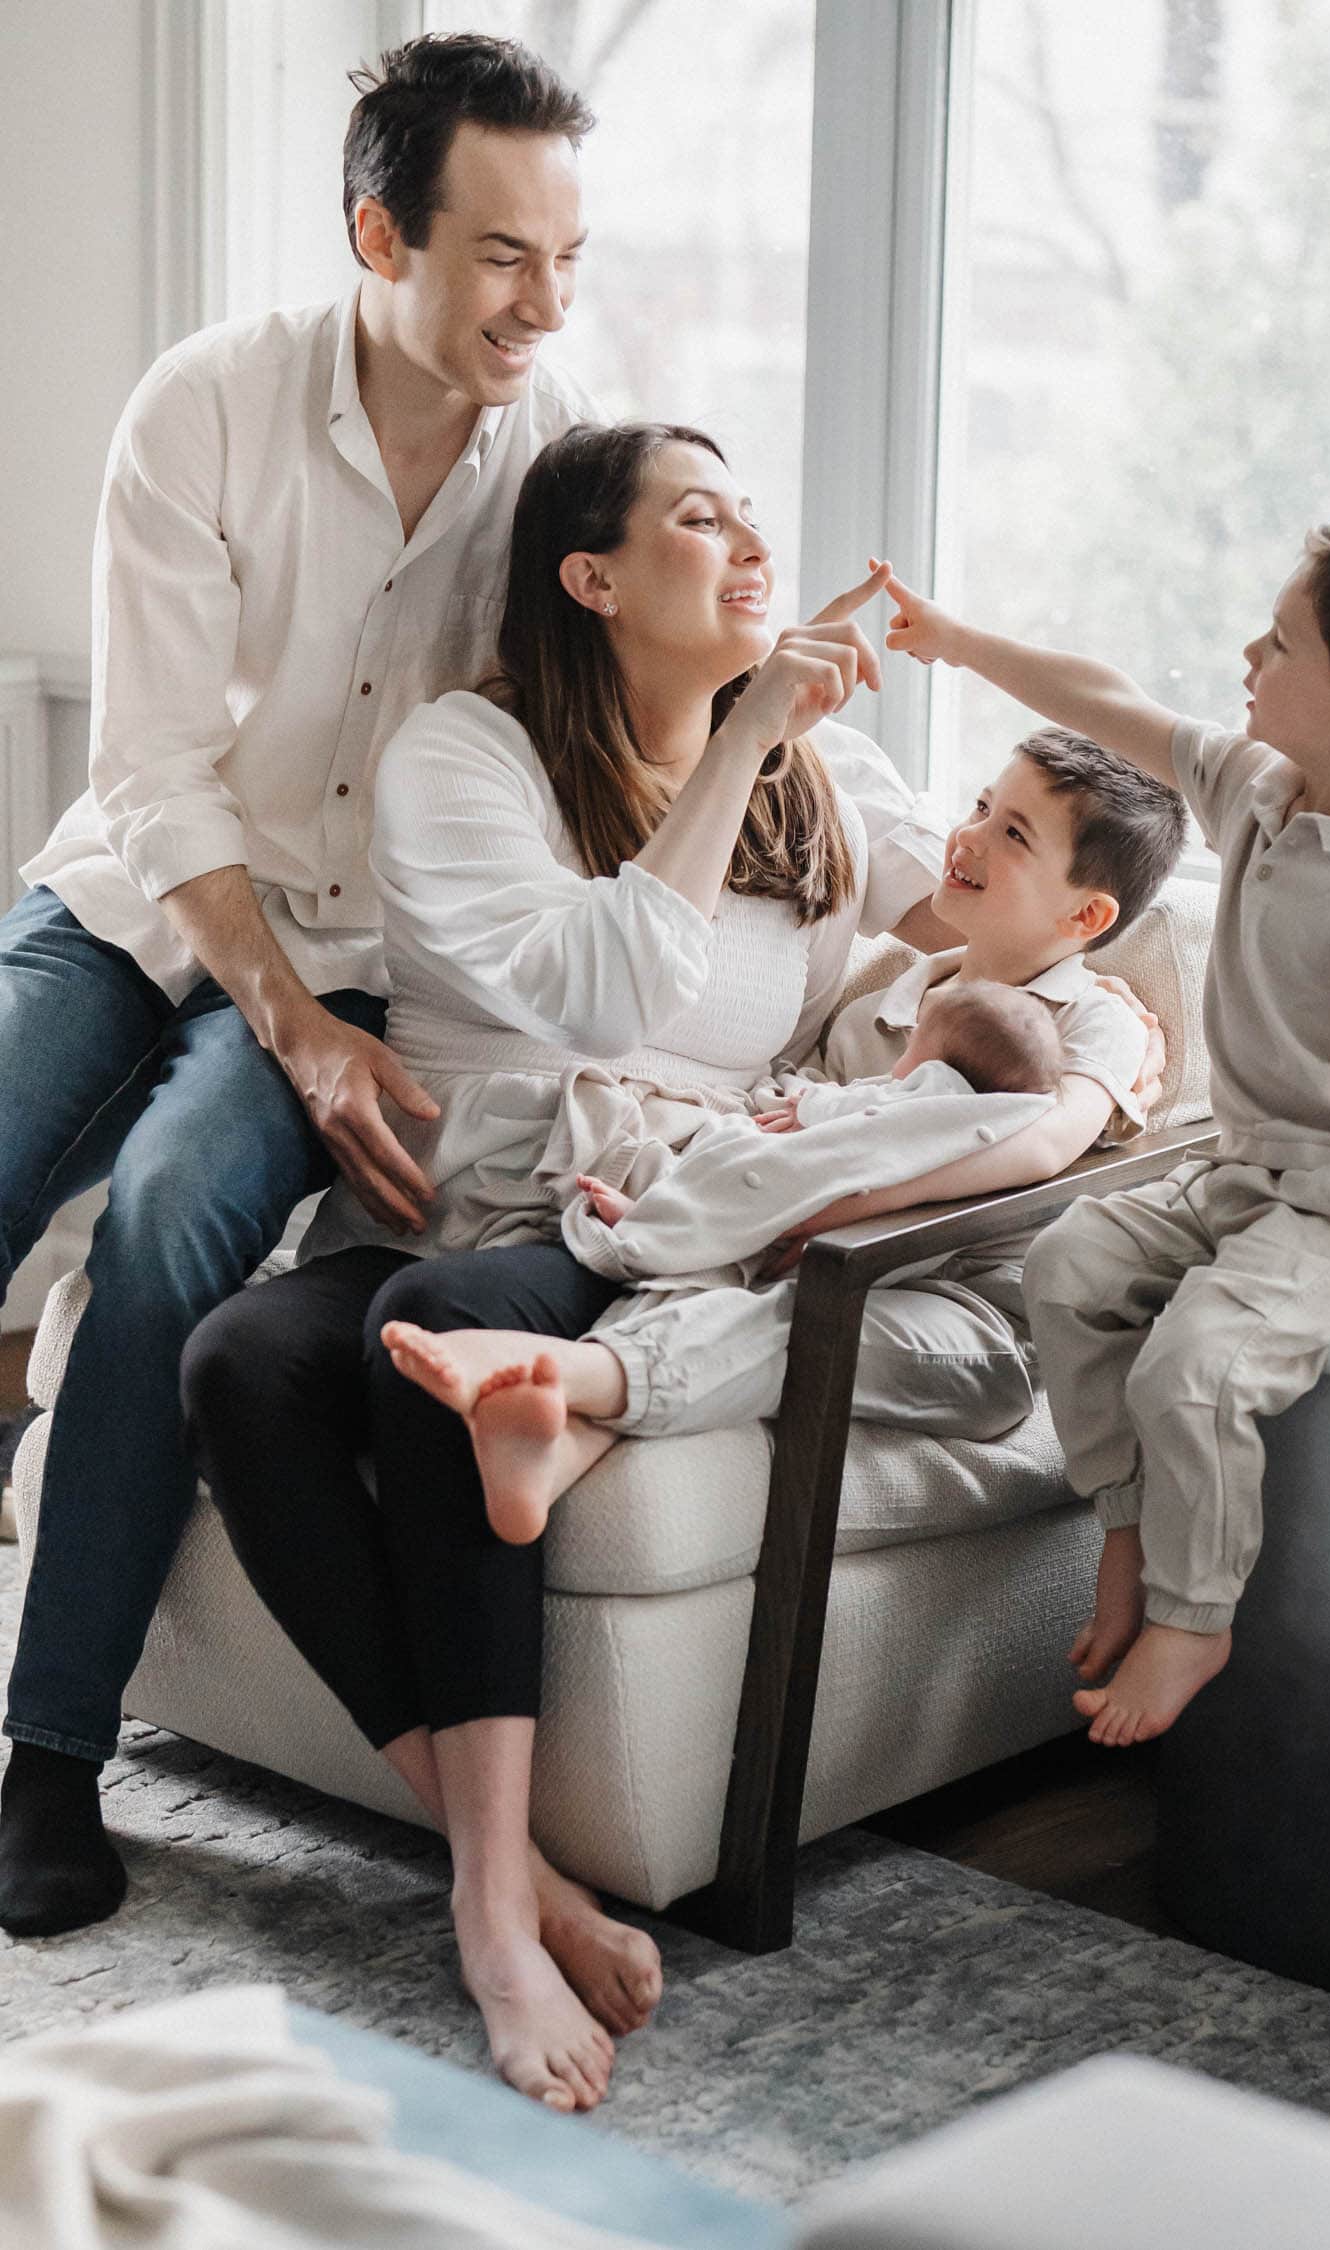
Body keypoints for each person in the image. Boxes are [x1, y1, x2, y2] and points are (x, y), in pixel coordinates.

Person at [180, 419, 963, 2113]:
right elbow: (602, 996)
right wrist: (750, 730)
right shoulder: (472, 757)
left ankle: (482, 1910)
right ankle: (526, 1874)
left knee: (432, 1334)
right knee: (243, 1358)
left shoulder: (836, 779)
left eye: (754, 508)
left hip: (673, 1224)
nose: (751, 541)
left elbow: (1027, 916)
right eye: (701, 517)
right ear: (590, 577)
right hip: (482, 1201)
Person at [0, 32, 599, 1939]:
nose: (543, 299)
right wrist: (287, 1023)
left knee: (176, 1223)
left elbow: (649, 684)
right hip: (146, 902)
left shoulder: (553, 455)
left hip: (358, 956)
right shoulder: (208, 408)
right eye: (503, 254)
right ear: (376, 231)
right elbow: (155, 765)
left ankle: (47, 1757)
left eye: (565, 254)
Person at [880, 520, 1330, 1749]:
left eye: (1281, 643)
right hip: (1241, 1171)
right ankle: (1127, 1524)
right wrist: (954, 643)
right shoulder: (1262, 790)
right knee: (1070, 1267)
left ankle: (1195, 1613)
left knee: (1194, 1366)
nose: (1248, 652)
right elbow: (1104, 702)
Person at [376, 730, 1186, 1547]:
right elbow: (784, 1134)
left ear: (1085, 915)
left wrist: (849, 1209)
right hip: (814, 1266)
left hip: (967, 1320)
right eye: (981, 806)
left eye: (1013, 834)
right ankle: (563, 1442)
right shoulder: (885, 1005)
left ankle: (566, 1373)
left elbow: (1046, 1145)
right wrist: (692, 1200)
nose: (969, 836)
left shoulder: (1099, 1021)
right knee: (697, 1271)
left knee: (797, 1323)